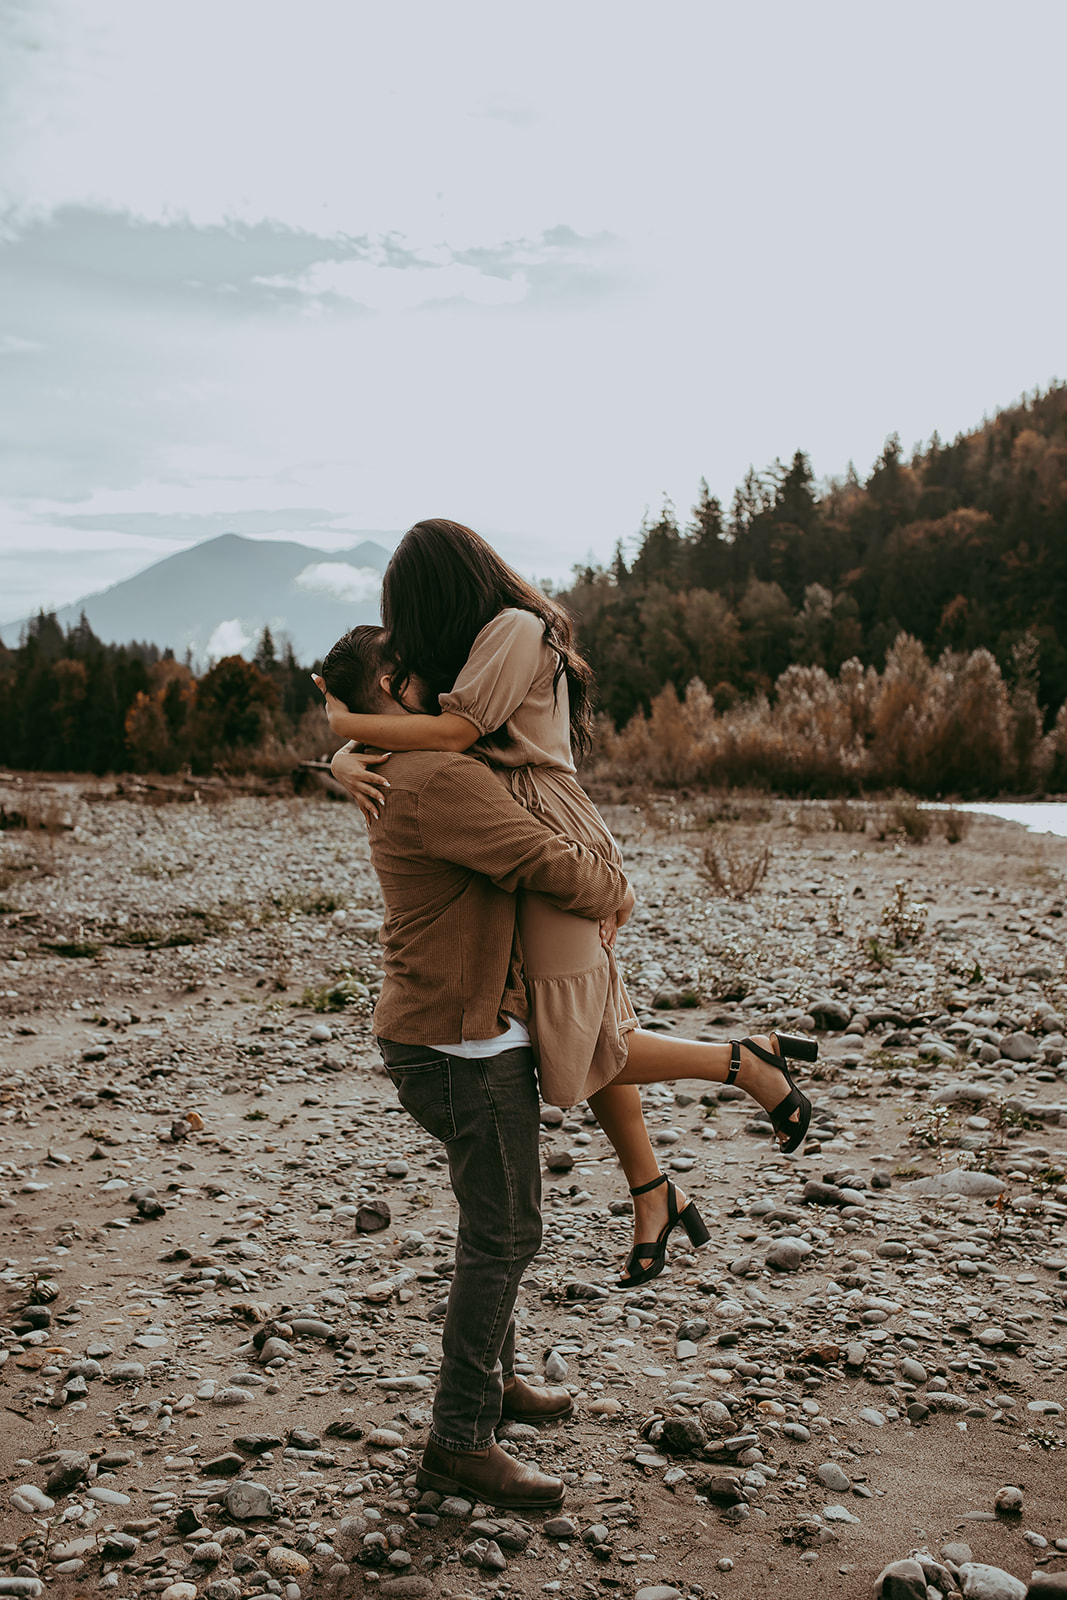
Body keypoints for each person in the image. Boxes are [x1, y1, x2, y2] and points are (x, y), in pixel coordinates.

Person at [316, 520, 815, 1289]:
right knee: (582, 1026)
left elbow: (448, 732)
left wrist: (341, 732)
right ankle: (652, 1190)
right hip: (514, 835)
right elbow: (424, 734)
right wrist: (344, 759)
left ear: (438, 591)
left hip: (552, 839)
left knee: (571, 1035)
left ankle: (741, 1065)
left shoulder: (516, 629)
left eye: (408, 611)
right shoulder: (482, 644)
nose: (408, 638)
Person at [320, 626, 634, 1511]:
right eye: (428, 665)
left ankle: (496, 1387)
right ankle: (459, 1441)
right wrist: (615, 888)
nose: (454, 681)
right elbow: (537, 859)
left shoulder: (382, 760)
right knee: (505, 1233)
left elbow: (372, 737)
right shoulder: (437, 777)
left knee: (488, 1216)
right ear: (397, 678)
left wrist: (338, 741)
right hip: (463, 1045)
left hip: (431, 1033)